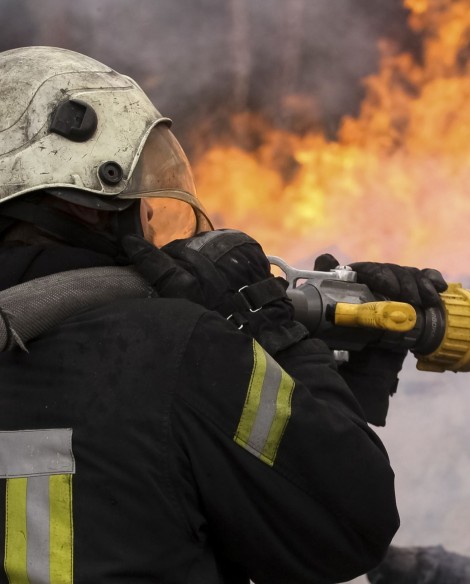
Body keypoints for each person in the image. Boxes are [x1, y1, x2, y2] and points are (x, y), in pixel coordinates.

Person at [0, 46, 446, 583]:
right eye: (140, 193)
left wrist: (342, 384)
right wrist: (269, 331)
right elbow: (349, 527)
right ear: (83, 202)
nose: (148, 216)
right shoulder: (171, 348)